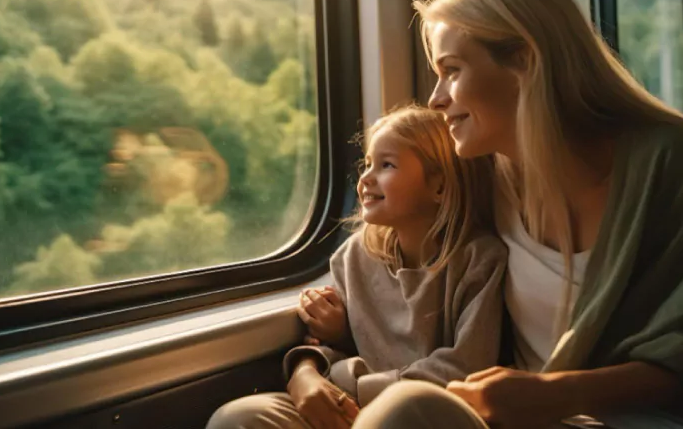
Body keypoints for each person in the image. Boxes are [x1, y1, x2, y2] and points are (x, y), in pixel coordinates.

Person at [351, 0, 683, 429]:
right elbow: (406, 252)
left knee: (406, 412)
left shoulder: (667, 164)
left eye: (451, 71)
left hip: (643, 420)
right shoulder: (480, 177)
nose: (435, 99)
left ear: (524, 62)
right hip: (514, 419)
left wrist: (561, 393)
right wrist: (313, 360)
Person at [206, 105, 508, 429]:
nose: (365, 179)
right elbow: (327, 346)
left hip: (425, 415)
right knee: (239, 419)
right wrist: (306, 374)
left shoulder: (480, 260)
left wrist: (353, 386)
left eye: (386, 165)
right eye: (367, 164)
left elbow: (465, 369)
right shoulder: (354, 257)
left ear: (439, 186)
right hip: (356, 403)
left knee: (399, 412)